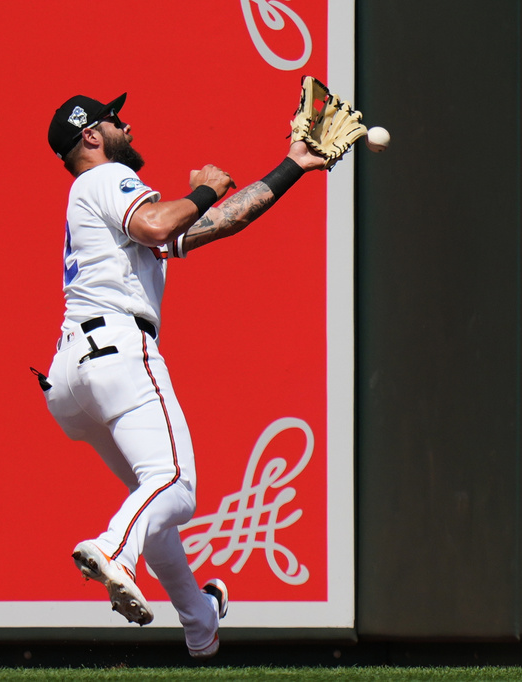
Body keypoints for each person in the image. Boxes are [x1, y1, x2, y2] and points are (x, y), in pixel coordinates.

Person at [40, 90, 329, 659]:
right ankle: (113, 551)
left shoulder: (94, 198)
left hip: (73, 370)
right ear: (91, 137)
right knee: (176, 485)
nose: (128, 124)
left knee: (154, 502)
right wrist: (203, 187)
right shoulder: (104, 179)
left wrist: (294, 162)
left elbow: (216, 223)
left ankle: (199, 620)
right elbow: (154, 224)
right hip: (119, 347)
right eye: (115, 119)